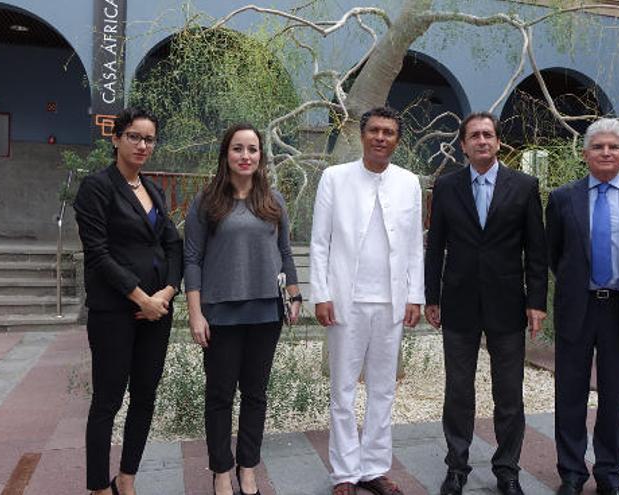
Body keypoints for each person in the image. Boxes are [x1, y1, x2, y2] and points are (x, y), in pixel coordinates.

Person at [424, 111, 548, 495]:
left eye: (488, 135)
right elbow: (435, 247)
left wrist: (537, 302)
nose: (482, 140)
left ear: (498, 143)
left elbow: (536, 250)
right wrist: (431, 296)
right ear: (463, 144)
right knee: (458, 391)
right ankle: (456, 467)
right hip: (458, 303)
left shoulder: (524, 186)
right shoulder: (446, 186)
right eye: (474, 135)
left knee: (509, 394)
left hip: (508, 304)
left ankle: (507, 469)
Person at [310, 107, 424, 495]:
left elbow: (414, 247)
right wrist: (321, 293)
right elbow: (319, 241)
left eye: (388, 132)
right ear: (362, 136)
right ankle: (343, 471)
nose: (380, 137)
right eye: (374, 130)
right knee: (342, 388)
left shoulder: (409, 183)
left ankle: (374, 467)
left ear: (397, 139)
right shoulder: (335, 178)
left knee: (383, 389)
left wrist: (415, 296)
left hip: (391, 302)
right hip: (345, 301)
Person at [545, 118, 619, 495]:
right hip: (577, 308)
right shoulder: (563, 198)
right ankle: (572, 473)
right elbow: (555, 253)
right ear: (585, 154)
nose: (606, 152)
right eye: (598, 147)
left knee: (613, 398)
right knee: (570, 394)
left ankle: (609, 472)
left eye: (613, 147)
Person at [184, 123, 301, 495]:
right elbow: (192, 259)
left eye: (252, 149)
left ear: (260, 156)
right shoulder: (206, 201)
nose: (245, 156)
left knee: (256, 394)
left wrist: (295, 297)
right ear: (226, 154)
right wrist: (195, 312)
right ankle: (220, 470)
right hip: (219, 314)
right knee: (219, 395)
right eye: (238, 148)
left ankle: (247, 467)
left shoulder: (274, 201)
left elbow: (285, 252)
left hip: (266, 313)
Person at [74, 107, 183, 495]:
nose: (142, 145)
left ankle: (127, 479)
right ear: (116, 138)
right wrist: (140, 297)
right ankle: (98, 487)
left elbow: (172, 244)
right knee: (108, 400)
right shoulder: (97, 187)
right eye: (134, 136)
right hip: (115, 312)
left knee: (145, 397)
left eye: (149, 139)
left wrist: (167, 293)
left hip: (157, 311)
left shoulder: (152, 189)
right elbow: (99, 254)